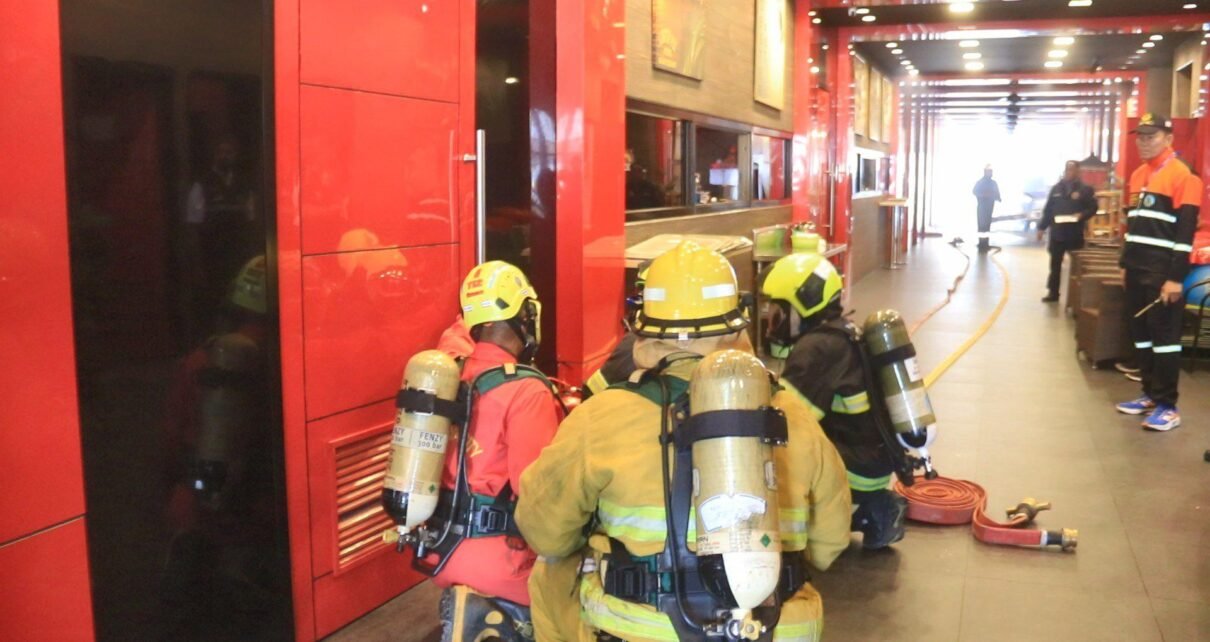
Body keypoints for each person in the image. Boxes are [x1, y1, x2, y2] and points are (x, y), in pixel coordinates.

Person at [516, 241, 851, 642]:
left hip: (647, 629)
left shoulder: (602, 416)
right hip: (776, 628)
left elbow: (544, 531)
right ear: (737, 324)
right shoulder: (793, 414)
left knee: (550, 572)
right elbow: (830, 543)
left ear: (644, 327)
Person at [428, 261, 563, 640]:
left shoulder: (450, 376)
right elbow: (536, 496)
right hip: (503, 565)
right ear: (525, 315)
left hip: (443, 550)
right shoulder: (526, 391)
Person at [761, 253, 911, 550]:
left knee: (773, 452)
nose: (772, 323)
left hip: (854, 470)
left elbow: (784, 419)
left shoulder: (817, 349)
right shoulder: (840, 334)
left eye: (779, 312)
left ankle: (849, 516)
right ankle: (871, 506)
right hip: (871, 461)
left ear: (805, 303)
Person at [1114, 114, 1202, 432]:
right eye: (1140, 136)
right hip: (1136, 270)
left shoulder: (1185, 177)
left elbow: (1185, 234)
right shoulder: (1138, 175)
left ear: (1168, 138)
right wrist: (1125, 265)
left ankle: (1168, 406)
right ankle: (1150, 395)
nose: (1144, 142)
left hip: (1163, 272)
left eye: (1151, 136)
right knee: (1141, 336)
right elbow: (1133, 228)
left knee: (1165, 340)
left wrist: (1175, 278)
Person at [1037, 160, 1098, 302]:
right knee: (1055, 265)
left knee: (1076, 268)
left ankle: (1075, 298)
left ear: (1078, 171)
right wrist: (1041, 227)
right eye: (1067, 169)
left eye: (1072, 169)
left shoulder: (1085, 189)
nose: (1069, 172)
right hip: (1057, 233)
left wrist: (1082, 215)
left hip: (1074, 233)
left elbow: (1093, 208)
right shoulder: (1056, 189)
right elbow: (1048, 210)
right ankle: (1053, 292)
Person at [972, 165, 1001, 252]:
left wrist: (997, 197)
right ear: (985, 172)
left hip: (989, 207)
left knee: (987, 225)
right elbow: (974, 191)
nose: (991, 173)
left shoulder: (993, 183)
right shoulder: (980, 182)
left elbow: (997, 194)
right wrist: (984, 195)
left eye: (991, 172)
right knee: (981, 225)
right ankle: (981, 243)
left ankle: (986, 243)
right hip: (982, 207)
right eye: (989, 172)